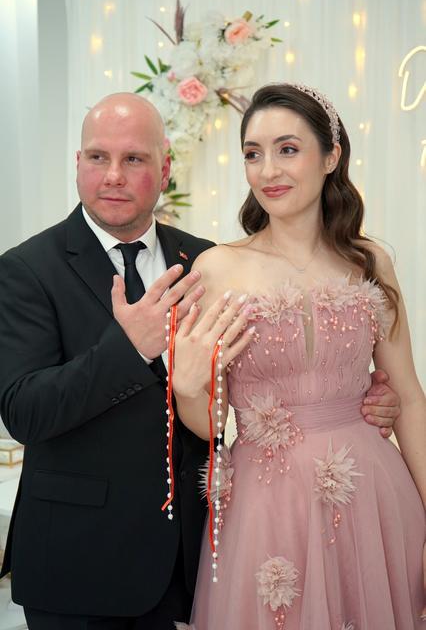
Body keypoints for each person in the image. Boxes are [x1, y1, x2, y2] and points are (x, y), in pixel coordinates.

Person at [0, 92, 400, 630]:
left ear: (165, 169)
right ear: (78, 163)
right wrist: (129, 348)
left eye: (134, 158)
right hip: (80, 562)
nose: (113, 175)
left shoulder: (205, 258)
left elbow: (240, 387)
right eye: (98, 157)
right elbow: (23, 412)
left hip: (193, 556)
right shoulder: (27, 268)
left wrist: (364, 395)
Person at [172, 84, 426, 629]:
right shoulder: (217, 269)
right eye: (253, 153)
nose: (268, 170)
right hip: (267, 505)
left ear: (331, 157)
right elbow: (211, 424)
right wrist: (188, 386)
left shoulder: (369, 261)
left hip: (373, 496)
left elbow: (407, 397)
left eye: (287, 149)